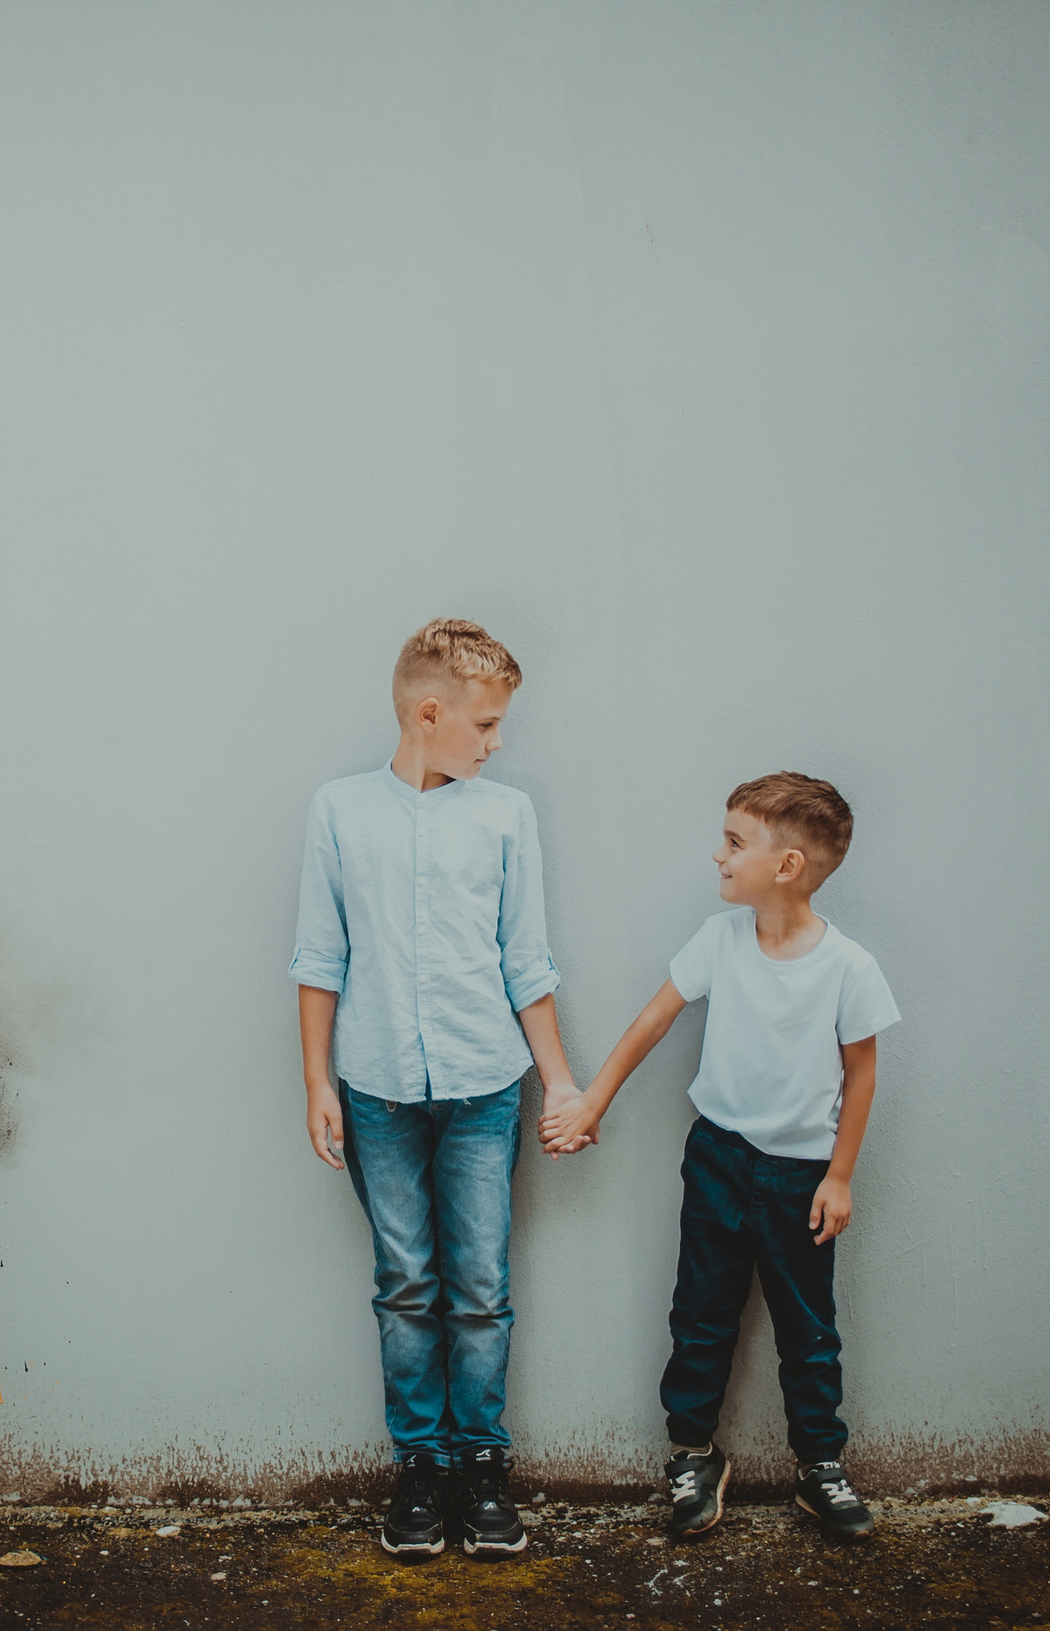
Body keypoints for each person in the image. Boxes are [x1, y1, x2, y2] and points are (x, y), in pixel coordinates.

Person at [540, 772, 898, 1541]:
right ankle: (693, 1455)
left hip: (802, 1176)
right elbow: (653, 1019)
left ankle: (820, 1465)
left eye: (735, 842)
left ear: (787, 865)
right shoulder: (719, 939)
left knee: (808, 1330)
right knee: (700, 1315)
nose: (718, 855)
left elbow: (863, 1072)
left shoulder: (849, 967)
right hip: (717, 1160)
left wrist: (840, 1175)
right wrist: (593, 1100)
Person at [290, 617, 577, 1558]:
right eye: (485, 724)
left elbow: (526, 960)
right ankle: (420, 1466)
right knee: (407, 1282)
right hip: (374, 1090)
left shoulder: (507, 816)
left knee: (482, 1286)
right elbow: (320, 957)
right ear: (427, 714)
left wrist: (560, 1083)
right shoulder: (341, 810)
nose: (495, 743)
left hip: (484, 1087)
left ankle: (482, 1467)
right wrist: (317, 1082)